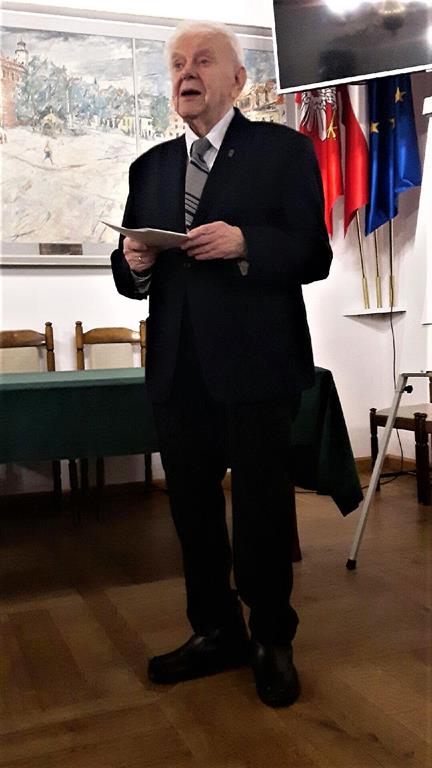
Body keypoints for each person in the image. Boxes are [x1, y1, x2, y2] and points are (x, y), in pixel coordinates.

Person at [111, 20, 332, 708]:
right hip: (178, 370)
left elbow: (314, 254)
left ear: (237, 80)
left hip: (257, 365)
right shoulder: (149, 168)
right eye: (177, 63)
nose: (187, 72)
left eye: (203, 60)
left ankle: (271, 638)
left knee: (261, 508)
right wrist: (134, 261)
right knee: (193, 511)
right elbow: (130, 277)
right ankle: (215, 630)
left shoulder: (284, 151)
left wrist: (245, 244)